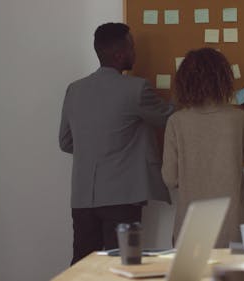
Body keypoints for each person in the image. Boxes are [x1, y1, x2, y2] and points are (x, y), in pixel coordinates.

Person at [59, 22, 174, 265]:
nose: (136, 53)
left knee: (82, 267)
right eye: (132, 47)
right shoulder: (136, 89)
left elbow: (66, 142)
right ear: (120, 54)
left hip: (82, 199)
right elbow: (171, 118)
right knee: (124, 266)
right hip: (122, 199)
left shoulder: (74, 90)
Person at [161, 47, 244, 248]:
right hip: (231, 227)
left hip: (190, 227)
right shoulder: (237, 118)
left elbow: (170, 178)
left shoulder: (176, 122)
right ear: (222, 79)